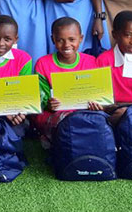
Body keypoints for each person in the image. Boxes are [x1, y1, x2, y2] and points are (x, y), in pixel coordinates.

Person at [31, 17, 100, 145]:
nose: (66, 45)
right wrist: (49, 104)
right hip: (56, 113)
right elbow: (40, 99)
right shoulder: (43, 64)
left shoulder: (91, 62)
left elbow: (97, 92)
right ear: (53, 40)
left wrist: (97, 104)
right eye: (60, 40)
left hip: (84, 110)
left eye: (72, 39)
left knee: (98, 119)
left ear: (81, 38)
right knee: (65, 121)